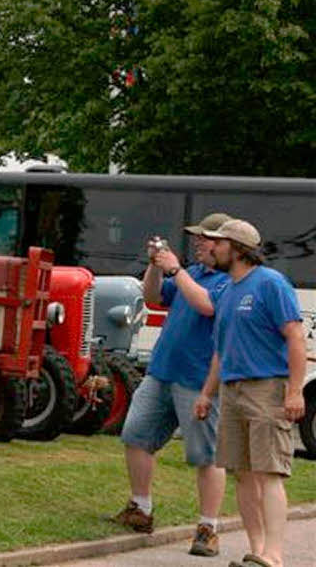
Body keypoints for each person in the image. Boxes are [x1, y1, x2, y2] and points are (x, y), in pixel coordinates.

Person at [113, 212, 231, 558]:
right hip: (162, 372)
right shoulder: (192, 274)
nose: (198, 242)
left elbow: (207, 307)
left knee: (205, 457)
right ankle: (141, 508)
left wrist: (176, 270)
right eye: (196, 237)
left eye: (205, 238)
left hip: (198, 381)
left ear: (224, 245)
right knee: (135, 435)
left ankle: (208, 528)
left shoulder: (229, 282)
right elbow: (152, 297)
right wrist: (154, 266)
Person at [194, 219, 305, 567]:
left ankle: (274, 556)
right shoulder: (226, 290)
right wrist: (206, 393)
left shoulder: (270, 283)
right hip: (232, 390)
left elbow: (295, 337)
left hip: (267, 389)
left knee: (270, 472)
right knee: (241, 473)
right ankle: (256, 551)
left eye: (218, 242)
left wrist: (295, 392)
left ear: (238, 248)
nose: (212, 247)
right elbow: (220, 350)